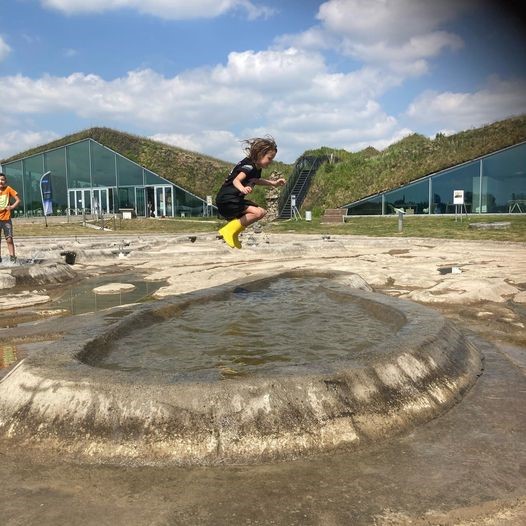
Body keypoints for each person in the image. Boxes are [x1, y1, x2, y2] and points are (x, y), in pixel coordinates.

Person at [216, 137, 285, 248]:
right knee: (257, 213)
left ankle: (234, 233)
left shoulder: (256, 167)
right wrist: (242, 189)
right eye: (269, 158)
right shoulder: (249, 166)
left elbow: (256, 180)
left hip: (233, 200)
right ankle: (228, 230)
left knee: (262, 212)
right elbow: (236, 180)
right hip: (227, 200)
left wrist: (274, 183)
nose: (271, 162)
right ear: (260, 154)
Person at [0, 172, 21, 263]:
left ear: (5, 181)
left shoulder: (8, 189)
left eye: (3, 180)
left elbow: (18, 200)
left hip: (6, 219)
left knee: (9, 239)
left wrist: (12, 207)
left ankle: (12, 257)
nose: (1, 181)